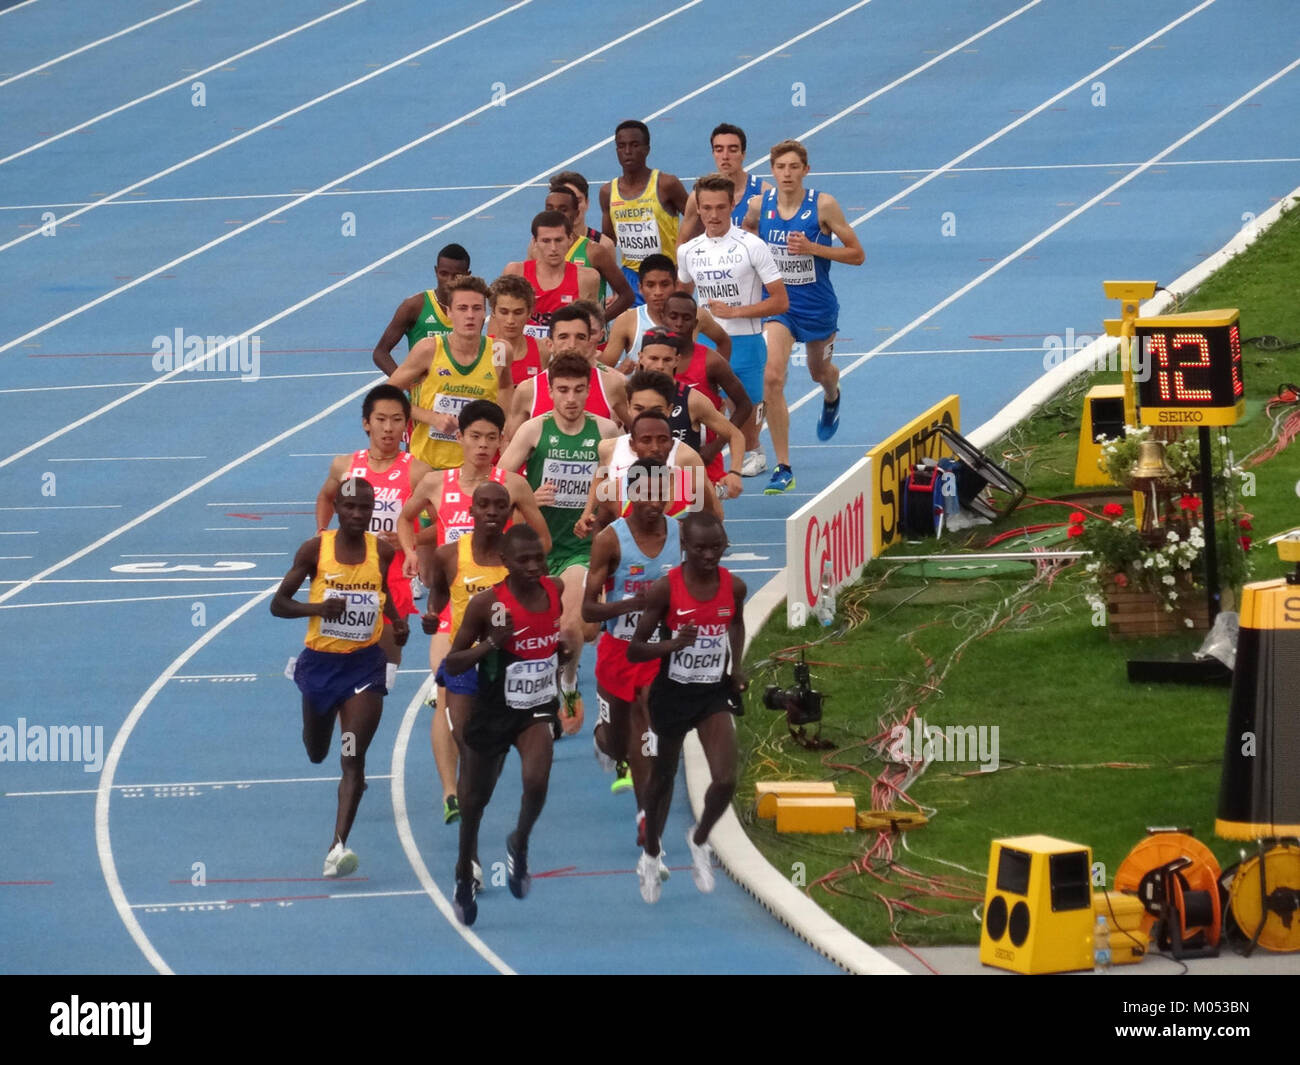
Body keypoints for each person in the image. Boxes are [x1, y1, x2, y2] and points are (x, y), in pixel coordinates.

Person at [396, 401, 549, 823]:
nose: (482, 445)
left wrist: (522, 567)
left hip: (502, 612)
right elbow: (405, 520)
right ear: (459, 437)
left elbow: (543, 542)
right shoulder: (433, 483)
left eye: (490, 438)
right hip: (454, 612)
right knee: (446, 693)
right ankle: (451, 792)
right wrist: (413, 554)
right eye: (474, 437)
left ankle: (486, 767)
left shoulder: (512, 486)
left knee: (496, 701)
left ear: (502, 441)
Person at [271, 478, 409, 878]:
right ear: (337, 509)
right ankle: (328, 730)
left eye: (363, 509)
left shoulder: (380, 551)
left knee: (353, 758)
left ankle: (338, 846)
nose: (356, 515)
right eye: (348, 507)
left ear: (372, 511)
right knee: (317, 751)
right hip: (320, 667)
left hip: (364, 667)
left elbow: (381, 592)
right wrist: (317, 608)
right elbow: (278, 604)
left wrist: (397, 624)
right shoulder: (315, 550)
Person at [442, 524, 572, 925]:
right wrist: (492, 644)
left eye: (539, 558)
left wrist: (560, 652)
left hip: (534, 707)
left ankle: (520, 840)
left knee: (536, 781)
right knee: (474, 803)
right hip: (493, 709)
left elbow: (550, 642)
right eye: (524, 560)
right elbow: (453, 663)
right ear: (505, 563)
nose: (534, 566)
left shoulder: (555, 591)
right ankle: (465, 868)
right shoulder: (486, 605)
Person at [627, 511, 746, 903]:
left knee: (726, 778)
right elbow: (636, 648)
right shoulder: (666, 589)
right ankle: (650, 854)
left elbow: (735, 625)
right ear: (685, 547)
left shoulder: (735, 587)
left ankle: (699, 840)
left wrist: (737, 668)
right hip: (672, 695)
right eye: (700, 548)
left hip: (711, 694)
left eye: (717, 548)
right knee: (661, 781)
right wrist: (671, 646)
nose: (710, 555)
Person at [500, 353, 622, 734]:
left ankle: (566, 687)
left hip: (580, 549)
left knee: (572, 628)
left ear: (589, 391)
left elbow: (622, 493)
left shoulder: (605, 432)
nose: (571, 399)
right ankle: (536, 687)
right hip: (536, 551)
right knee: (546, 630)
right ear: (549, 391)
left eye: (579, 390)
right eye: (563, 390)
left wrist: (598, 513)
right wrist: (529, 497)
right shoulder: (534, 430)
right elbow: (497, 484)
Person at [745, 139, 864, 490]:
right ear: (772, 171)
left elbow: (857, 254)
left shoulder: (823, 206)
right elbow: (748, 232)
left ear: (805, 170)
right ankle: (784, 466)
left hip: (818, 308)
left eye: (794, 167)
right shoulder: (758, 205)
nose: (787, 173)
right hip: (779, 308)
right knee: (771, 378)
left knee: (818, 372)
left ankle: (832, 394)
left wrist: (813, 248)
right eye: (780, 167)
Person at [583, 459, 680, 838]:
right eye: (646, 494)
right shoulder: (610, 539)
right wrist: (632, 605)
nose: (654, 503)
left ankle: (646, 817)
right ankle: (603, 738)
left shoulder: (680, 534)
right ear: (631, 493)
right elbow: (588, 609)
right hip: (618, 650)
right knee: (616, 741)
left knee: (648, 726)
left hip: (657, 655)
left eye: (662, 493)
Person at [677, 173, 787, 487]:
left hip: (746, 340)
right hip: (705, 341)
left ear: (732, 205)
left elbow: (780, 301)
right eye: (707, 208)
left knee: (746, 406)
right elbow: (683, 297)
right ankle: (701, 465)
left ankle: (753, 451)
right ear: (698, 208)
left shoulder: (752, 246)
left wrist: (734, 312)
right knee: (702, 406)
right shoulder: (688, 251)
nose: (713, 215)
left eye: (720, 207)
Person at [316, 385, 430, 678]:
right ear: (367, 423)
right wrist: (321, 532)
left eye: (396, 420)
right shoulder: (345, 466)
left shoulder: (418, 471)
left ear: (406, 425)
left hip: (393, 576)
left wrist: (411, 540)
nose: (388, 428)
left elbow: (447, 522)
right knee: (343, 657)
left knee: (387, 665)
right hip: (348, 574)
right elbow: (326, 497)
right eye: (381, 419)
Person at [387, 274, 511, 470]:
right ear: (449, 312)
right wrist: (432, 418)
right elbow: (387, 397)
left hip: (476, 470)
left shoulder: (499, 351)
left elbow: (504, 387)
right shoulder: (429, 350)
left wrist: (501, 427)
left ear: (485, 313)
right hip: (428, 467)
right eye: (462, 308)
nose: (470, 315)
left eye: (476, 308)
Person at [575, 375, 722, 538]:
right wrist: (587, 513)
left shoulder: (687, 458)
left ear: (669, 409)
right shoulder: (608, 448)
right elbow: (601, 477)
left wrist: (683, 532)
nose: (647, 416)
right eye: (639, 408)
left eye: (656, 410)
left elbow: (714, 517)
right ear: (628, 407)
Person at [632, 328, 744, 502]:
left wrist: (735, 472)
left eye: (667, 359)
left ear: (677, 360)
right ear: (640, 357)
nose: (660, 366)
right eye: (653, 358)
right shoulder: (625, 395)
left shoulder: (692, 399)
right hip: (639, 491)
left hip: (684, 495)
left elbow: (735, 434)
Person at [600, 120, 689, 305]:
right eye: (621, 146)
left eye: (634, 145)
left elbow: (696, 220)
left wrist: (683, 266)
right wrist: (615, 287)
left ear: (647, 149)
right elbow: (608, 243)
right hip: (630, 280)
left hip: (664, 277)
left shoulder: (666, 184)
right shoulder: (608, 192)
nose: (627, 151)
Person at [505, 308, 629, 437]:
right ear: (549, 344)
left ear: (589, 342)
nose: (572, 345)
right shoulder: (528, 389)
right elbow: (509, 441)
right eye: (563, 337)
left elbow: (638, 431)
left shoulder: (612, 385)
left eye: (580, 337)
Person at [601, 254, 731, 369]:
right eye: (650, 285)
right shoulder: (627, 321)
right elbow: (605, 369)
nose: (658, 292)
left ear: (675, 285)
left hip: (686, 395)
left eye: (664, 284)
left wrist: (715, 380)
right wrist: (621, 372)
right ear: (640, 288)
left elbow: (724, 341)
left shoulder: (696, 315)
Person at [529, 181, 635, 321]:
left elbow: (626, 295)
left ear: (576, 213)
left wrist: (598, 323)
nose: (555, 213)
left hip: (589, 340)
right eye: (550, 208)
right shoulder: (535, 247)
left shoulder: (594, 251)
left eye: (563, 209)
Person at [371, 244, 472, 374]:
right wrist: (405, 383)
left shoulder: (473, 311)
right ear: (436, 271)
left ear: (468, 275)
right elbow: (380, 353)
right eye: (443, 274)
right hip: (423, 393)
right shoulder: (414, 306)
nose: (449, 281)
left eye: (457, 276)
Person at [504, 212, 600, 343]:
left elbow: (590, 330)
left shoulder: (587, 278)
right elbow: (498, 322)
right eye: (546, 241)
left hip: (565, 358)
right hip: (524, 356)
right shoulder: (516, 272)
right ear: (534, 242)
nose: (553, 248)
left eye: (559, 240)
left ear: (570, 240)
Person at [679, 123, 771, 243]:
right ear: (713, 154)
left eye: (732, 150)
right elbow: (682, 242)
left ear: (743, 154)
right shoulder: (697, 197)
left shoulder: (764, 193)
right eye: (719, 150)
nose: (725, 156)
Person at [486, 274, 547, 388]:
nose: (510, 320)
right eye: (504, 312)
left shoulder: (542, 350)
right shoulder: (482, 350)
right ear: (493, 312)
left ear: (529, 313)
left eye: (518, 312)